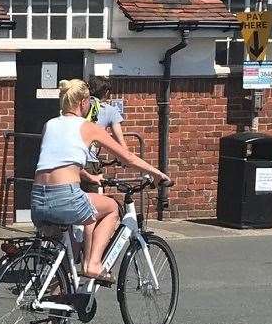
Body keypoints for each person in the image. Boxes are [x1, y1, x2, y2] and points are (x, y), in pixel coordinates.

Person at [32, 78, 169, 283]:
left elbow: (58, 163)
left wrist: (90, 176)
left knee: (63, 256)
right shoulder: (88, 127)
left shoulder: (49, 125)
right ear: (83, 102)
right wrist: (158, 173)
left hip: (37, 200)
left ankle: (58, 303)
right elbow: (127, 157)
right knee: (112, 207)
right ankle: (93, 264)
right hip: (65, 197)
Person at [86, 78, 128, 163]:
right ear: (106, 92)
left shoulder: (80, 105)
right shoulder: (110, 111)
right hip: (89, 161)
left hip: (70, 160)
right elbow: (120, 141)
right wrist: (126, 159)